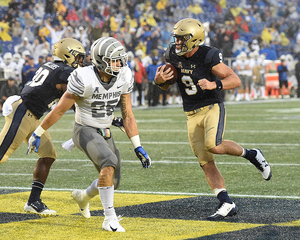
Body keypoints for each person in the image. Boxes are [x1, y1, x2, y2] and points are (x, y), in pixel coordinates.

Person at [27, 37, 151, 232]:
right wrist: (38, 131)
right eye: (114, 60)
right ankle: (109, 218)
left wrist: (138, 145)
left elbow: (128, 115)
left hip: (105, 130)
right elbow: (59, 109)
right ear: (101, 60)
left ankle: (83, 196)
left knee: (114, 182)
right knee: (108, 162)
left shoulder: (124, 75)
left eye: (120, 59)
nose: (119, 64)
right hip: (84, 129)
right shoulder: (83, 77)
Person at [154, 18, 272, 221]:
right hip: (190, 112)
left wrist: (213, 84)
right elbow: (165, 83)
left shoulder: (208, 55)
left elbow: (234, 79)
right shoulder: (172, 54)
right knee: (205, 160)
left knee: (214, 145)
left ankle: (252, 155)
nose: (178, 43)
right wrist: (159, 81)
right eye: (177, 38)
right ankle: (226, 202)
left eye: (182, 39)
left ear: (194, 39)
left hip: (211, 107)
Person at [0, 38, 86, 216]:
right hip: (23, 113)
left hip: (34, 116)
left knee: (48, 156)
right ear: (67, 54)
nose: (79, 61)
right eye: (77, 56)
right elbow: (70, 91)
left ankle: (33, 202)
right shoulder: (65, 70)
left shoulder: (52, 66)